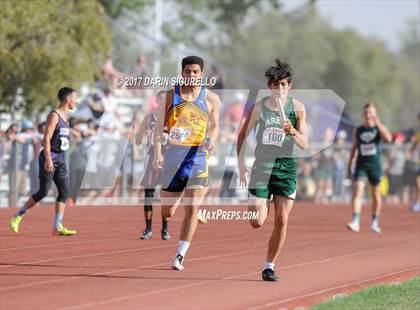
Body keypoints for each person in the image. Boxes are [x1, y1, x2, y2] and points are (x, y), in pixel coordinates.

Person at [237, 59, 308, 281]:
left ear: (290, 86)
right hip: (262, 166)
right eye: (275, 85)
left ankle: (269, 266)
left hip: (285, 168)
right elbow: (242, 135)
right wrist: (241, 165)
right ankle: (264, 201)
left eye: (283, 84)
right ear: (269, 86)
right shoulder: (260, 108)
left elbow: (304, 144)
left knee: (283, 220)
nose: (279, 89)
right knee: (256, 221)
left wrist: (293, 132)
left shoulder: (297, 109)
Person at [153, 56, 221, 270]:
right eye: (188, 71)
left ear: (202, 74)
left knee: (191, 210)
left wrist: (212, 140)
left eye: (195, 72)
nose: (191, 75)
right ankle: (186, 201)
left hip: (198, 156)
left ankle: (179, 255)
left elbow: (215, 125)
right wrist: (157, 154)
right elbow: (157, 130)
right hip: (174, 156)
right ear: (182, 73)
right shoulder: (169, 96)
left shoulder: (211, 99)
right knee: (167, 213)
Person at [9, 87, 78, 236]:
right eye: (74, 98)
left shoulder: (66, 119)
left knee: (64, 192)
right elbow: (46, 139)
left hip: (60, 158)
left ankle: (57, 226)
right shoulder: (54, 115)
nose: (76, 101)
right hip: (50, 156)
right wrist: (48, 158)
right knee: (43, 192)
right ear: (67, 99)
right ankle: (18, 215)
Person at [347, 102, 393, 233]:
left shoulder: (378, 128)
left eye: (371, 113)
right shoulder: (359, 130)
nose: (368, 115)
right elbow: (353, 149)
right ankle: (355, 221)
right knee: (358, 191)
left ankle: (374, 221)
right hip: (361, 165)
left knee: (375, 194)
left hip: (375, 166)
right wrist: (349, 164)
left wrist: (378, 124)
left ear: (375, 114)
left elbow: (389, 138)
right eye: (366, 112)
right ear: (363, 114)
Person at [135, 91, 171, 240]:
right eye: (161, 99)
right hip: (151, 159)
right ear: (156, 101)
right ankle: (148, 228)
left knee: (166, 195)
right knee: (149, 194)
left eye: (166, 100)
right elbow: (137, 140)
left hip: (168, 159)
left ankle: (165, 229)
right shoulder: (149, 119)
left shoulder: (172, 119)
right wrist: (143, 135)